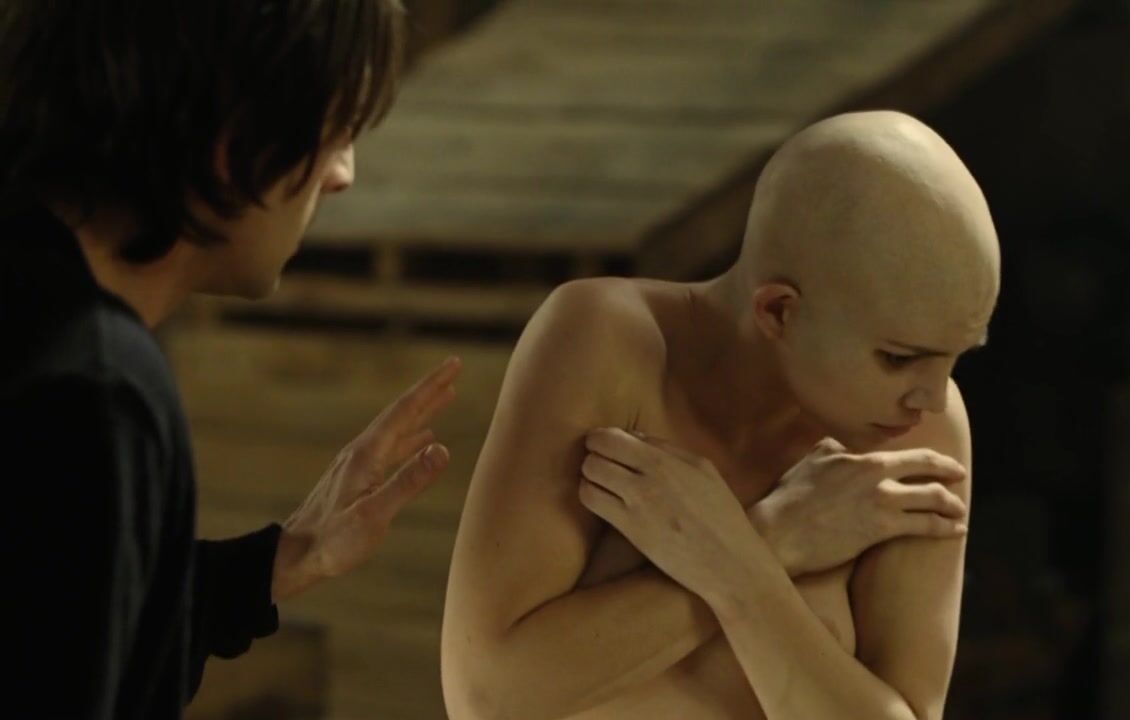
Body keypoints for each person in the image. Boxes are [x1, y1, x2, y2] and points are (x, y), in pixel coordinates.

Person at [441, 110, 999, 720]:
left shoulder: (919, 438)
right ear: (779, 311)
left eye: (955, 358)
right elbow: (486, 698)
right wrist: (778, 535)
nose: (933, 398)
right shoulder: (612, 344)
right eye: (898, 358)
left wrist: (738, 568)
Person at [0, 1, 461, 717]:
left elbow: (47, 626)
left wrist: (275, 566)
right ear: (236, 140)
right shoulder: (95, 386)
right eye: (336, 129)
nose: (343, 174)